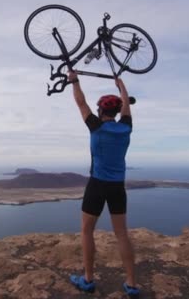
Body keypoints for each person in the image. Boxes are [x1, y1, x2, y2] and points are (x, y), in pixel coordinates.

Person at [67, 69, 140, 298]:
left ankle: (88, 280)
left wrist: (74, 79)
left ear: (100, 111)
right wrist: (122, 87)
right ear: (117, 111)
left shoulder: (96, 127)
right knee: (122, 234)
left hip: (97, 185)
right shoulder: (126, 128)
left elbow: (80, 102)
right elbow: (127, 105)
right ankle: (131, 284)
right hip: (118, 187)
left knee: (87, 231)